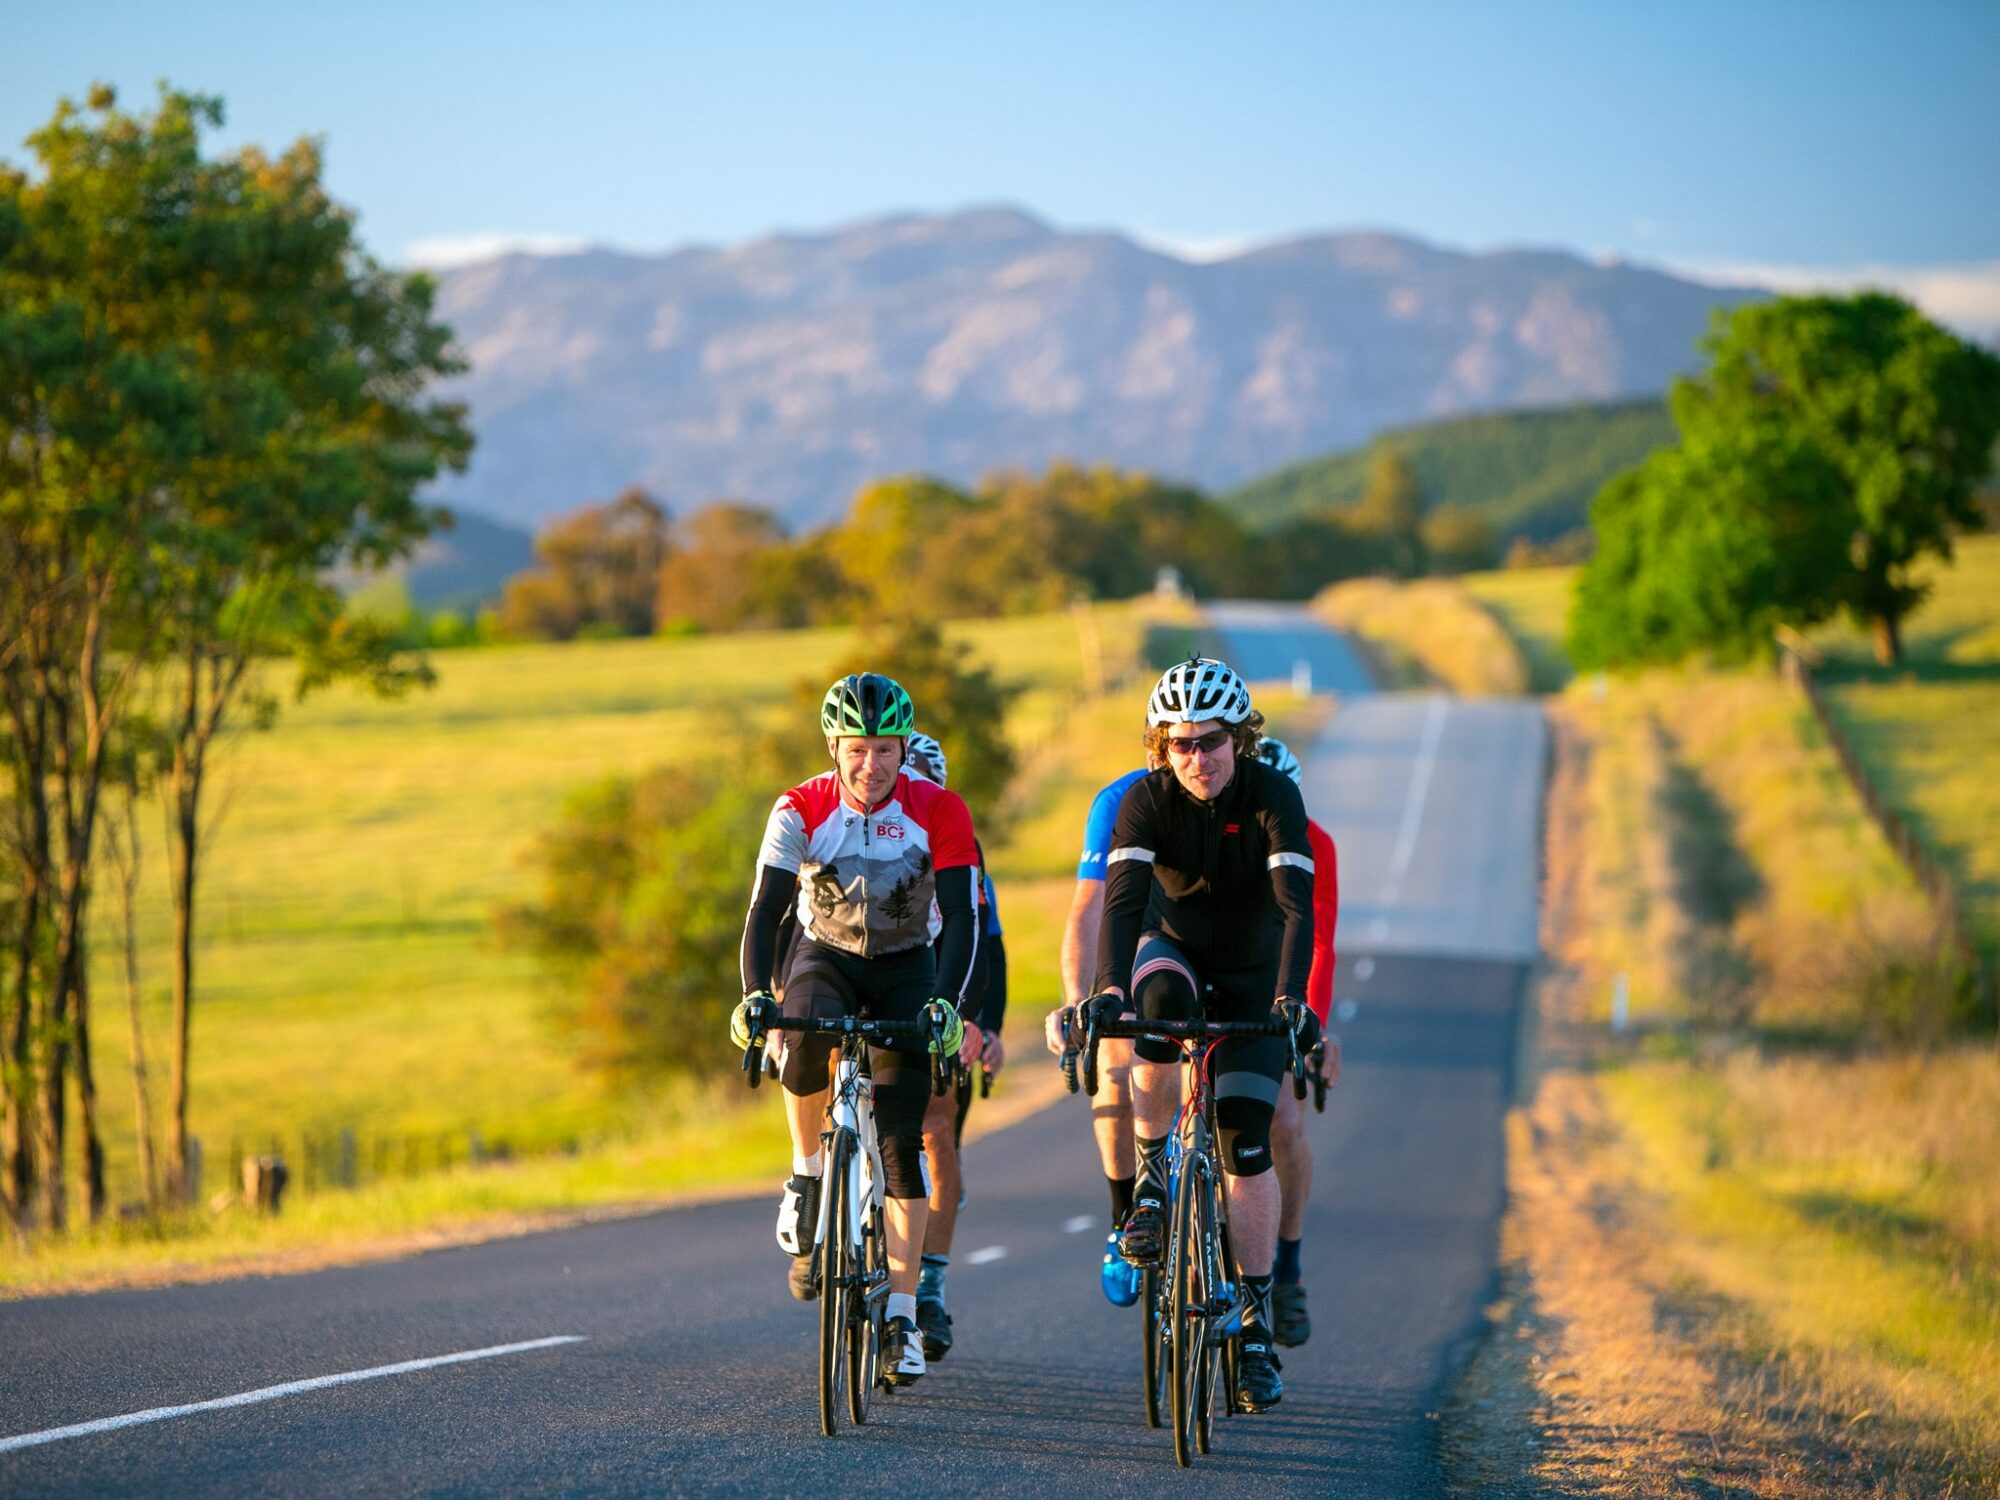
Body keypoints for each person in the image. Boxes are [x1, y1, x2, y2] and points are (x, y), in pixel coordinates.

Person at [1086, 657, 1321, 1413]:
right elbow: (1121, 905)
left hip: (1255, 976)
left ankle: (1253, 1329)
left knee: (1245, 1150)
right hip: (1174, 954)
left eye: (1210, 742)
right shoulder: (1145, 801)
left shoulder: (1273, 795)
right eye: (1180, 744)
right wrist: (1106, 990)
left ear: (1240, 738)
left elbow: (1296, 909)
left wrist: (1291, 997)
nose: (1196, 759)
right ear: (1162, 747)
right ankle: (1153, 1183)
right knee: (1152, 1002)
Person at [733, 674, 980, 1388]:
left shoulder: (940, 808)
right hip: (826, 955)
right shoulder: (800, 807)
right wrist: (755, 994)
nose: (871, 765)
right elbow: (767, 910)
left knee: (903, 1147)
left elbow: (961, 919)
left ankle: (901, 1317)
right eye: (857, 750)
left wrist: (946, 1003)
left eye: (886, 750)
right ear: (833, 746)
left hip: (907, 964)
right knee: (801, 1036)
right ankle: (808, 1175)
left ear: (904, 747)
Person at [902, 732, 1008, 1362]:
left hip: (942, 984)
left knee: (938, 1132)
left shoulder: (956, 836)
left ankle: (931, 1286)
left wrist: (980, 1024)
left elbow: (983, 946)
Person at [1047, 750, 1161, 1308]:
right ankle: (1124, 1219)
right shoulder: (1118, 800)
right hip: (1135, 937)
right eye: (1170, 746)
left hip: (1212, 946)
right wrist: (1077, 1001)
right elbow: (1089, 909)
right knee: (1116, 1067)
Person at [1254, 737, 1344, 1348]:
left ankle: (1286, 1269)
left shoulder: (1316, 844)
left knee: (1284, 1124)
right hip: (1215, 977)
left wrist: (1311, 1027)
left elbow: (1318, 942)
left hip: (1277, 987)